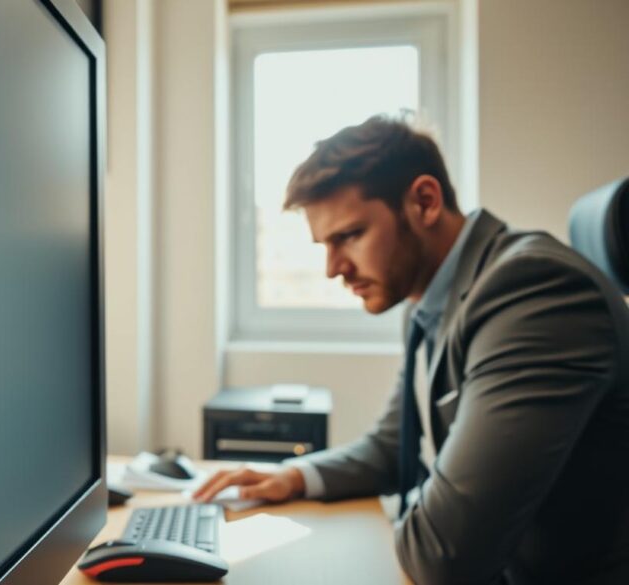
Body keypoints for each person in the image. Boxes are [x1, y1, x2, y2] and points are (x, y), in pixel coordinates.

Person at [193, 116, 629, 584]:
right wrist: (295, 477)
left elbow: (445, 554)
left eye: (350, 236)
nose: (332, 269)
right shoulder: (426, 302)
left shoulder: (533, 293)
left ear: (424, 201)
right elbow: (389, 447)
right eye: (324, 245)